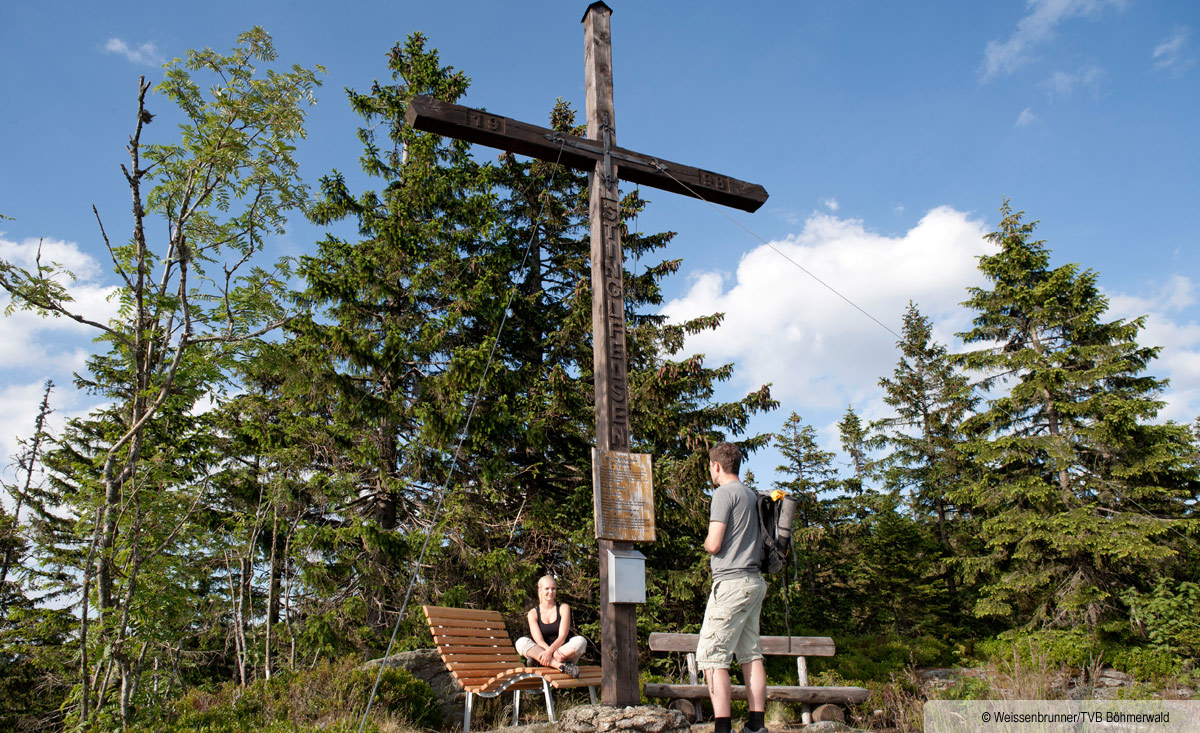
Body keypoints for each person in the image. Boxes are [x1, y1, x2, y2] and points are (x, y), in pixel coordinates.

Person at [697, 442, 768, 733]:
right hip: (754, 582)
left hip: (731, 584)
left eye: (710, 466)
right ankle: (756, 726)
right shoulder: (751, 495)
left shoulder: (723, 494)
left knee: (712, 656)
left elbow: (714, 544)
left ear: (717, 465)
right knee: (751, 654)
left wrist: (704, 543)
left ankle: (722, 728)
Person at [514, 575, 585, 678]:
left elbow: (562, 637)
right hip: (544, 651)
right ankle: (562, 667)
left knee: (581, 641)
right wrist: (548, 652)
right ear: (540, 590)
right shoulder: (533, 613)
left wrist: (551, 653)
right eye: (547, 588)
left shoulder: (563, 608)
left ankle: (541, 662)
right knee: (520, 642)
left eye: (553, 588)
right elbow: (539, 641)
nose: (550, 592)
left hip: (561, 654)